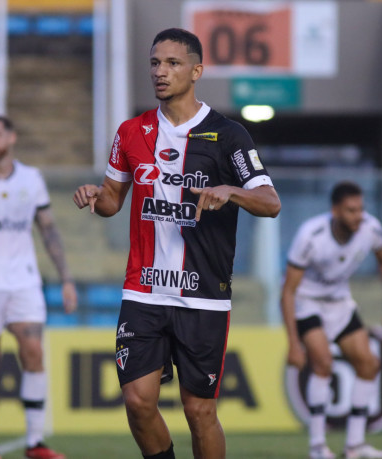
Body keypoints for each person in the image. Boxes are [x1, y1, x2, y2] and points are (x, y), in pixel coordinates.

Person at [73, 28, 281, 459]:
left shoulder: (228, 135)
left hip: (202, 296)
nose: (160, 72)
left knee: (199, 411)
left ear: (197, 70)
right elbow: (114, 202)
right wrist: (96, 196)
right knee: (137, 401)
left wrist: (231, 190)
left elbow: (270, 202)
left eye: (172, 63)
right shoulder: (131, 132)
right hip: (144, 289)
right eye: (154, 63)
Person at [0, 115, 78, 459]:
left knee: (34, 353)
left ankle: (35, 443)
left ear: (11, 137)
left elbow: (49, 230)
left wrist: (66, 278)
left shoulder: (31, 179)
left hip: (23, 281)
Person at [280, 181, 382, 459]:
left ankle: (355, 446)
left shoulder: (371, 228)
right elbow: (287, 291)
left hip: (340, 303)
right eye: (351, 210)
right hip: (307, 304)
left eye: (360, 209)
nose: (358, 215)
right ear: (335, 210)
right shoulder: (311, 235)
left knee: (369, 365)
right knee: (323, 362)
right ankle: (318, 447)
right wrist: (293, 342)